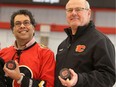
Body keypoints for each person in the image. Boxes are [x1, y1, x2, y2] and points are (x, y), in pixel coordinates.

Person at [54, 0, 115, 87]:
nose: (73, 13)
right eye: (70, 10)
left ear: (88, 13)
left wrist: (79, 79)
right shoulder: (63, 45)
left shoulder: (100, 41)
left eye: (78, 9)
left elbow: (108, 77)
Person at [0, 9, 56, 87]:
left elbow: (48, 85)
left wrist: (20, 78)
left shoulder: (46, 54)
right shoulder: (2, 53)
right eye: (18, 23)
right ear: (12, 30)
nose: (22, 26)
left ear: (33, 28)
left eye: (26, 23)